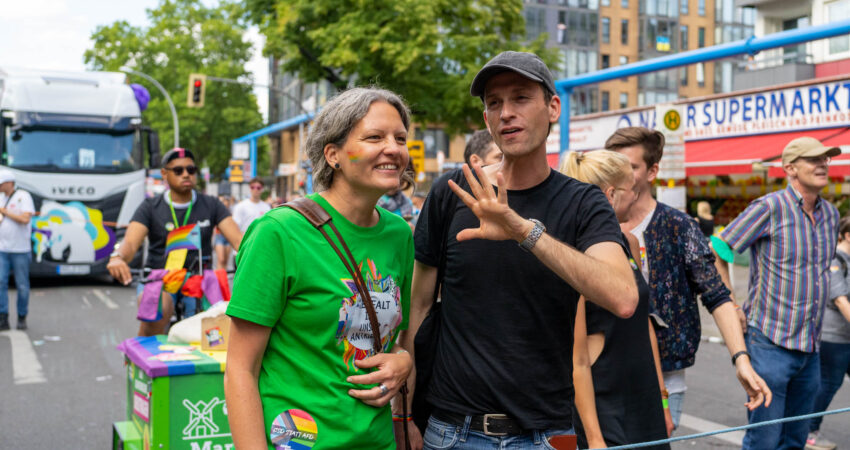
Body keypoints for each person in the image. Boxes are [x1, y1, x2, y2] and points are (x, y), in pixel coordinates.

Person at [400, 51, 639, 450]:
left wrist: (522, 231)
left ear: (553, 107)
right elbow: (418, 308)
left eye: (521, 98)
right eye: (494, 103)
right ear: (486, 120)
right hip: (452, 432)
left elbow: (623, 297)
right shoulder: (452, 193)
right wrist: (402, 413)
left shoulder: (584, 203)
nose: (506, 112)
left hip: (547, 435)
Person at [224, 87, 416, 449]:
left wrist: (403, 362)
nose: (393, 148)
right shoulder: (278, 233)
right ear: (333, 155)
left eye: (400, 138)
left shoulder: (398, 235)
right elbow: (239, 370)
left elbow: (401, 340)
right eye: (374, 137)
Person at [607, 127, 770, 430]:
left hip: (666, 377)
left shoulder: (677, 226)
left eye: (629, 167)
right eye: (612, 165)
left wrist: (741, 359)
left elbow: (717, 295)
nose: (618, 175)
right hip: (601, 373)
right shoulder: (592, 222)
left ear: (653, 171)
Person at [721, 136, 841, 449]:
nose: (823, 164)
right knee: (764, 440)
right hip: (769, 344)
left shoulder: (831, 216)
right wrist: (731, 304)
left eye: (826, 159)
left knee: (795, 441)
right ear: (789, 168)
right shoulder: (769, 207)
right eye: (814, 159)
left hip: (811, 349)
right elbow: (718, 250)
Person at [561, 150, 671, 449]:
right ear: (610, 195)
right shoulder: (573, 253)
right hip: (605, 397)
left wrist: (662, 397)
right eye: (632, 189)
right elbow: (577, 359)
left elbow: (643, 322)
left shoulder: (629, 242)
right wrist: (595, 439)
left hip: (643, 393)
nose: (636, 197)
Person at [107, 148, 243, 336]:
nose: (186, 174)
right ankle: (144, 359)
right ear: (164, 173)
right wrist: (118, 257)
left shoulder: (212, 204)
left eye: (191, 169)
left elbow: (239, 241)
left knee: (217, 324)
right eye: (178, 170)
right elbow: (130, 244)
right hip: (160, 278)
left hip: (200, 280)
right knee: (157, 308)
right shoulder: (150, 207)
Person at [807, 216, 850, 450]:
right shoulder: (835, 261)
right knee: (829, 384)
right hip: (834, 337)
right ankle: (809, 431)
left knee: (829, 384)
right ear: (847, 236)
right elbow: (841, 301)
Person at [0, 170, 34, 331]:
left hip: (20, 250)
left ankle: (22, 317)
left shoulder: (23, 197)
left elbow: (25, 219)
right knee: (1, 283)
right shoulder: (0, 197)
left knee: (22, 285)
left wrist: (5, 211)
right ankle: (3, 317)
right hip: (2, 249)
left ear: (9, 183)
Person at [214, 194, 234, 270]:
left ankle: (223, 278)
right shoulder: (218, 213)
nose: (226, 206)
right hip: (219, 236)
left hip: (228, 237)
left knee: (225, 261)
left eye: (227, 205)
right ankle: (219, 279)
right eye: (224, 205)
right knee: (221, 259)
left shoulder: (230, 214)